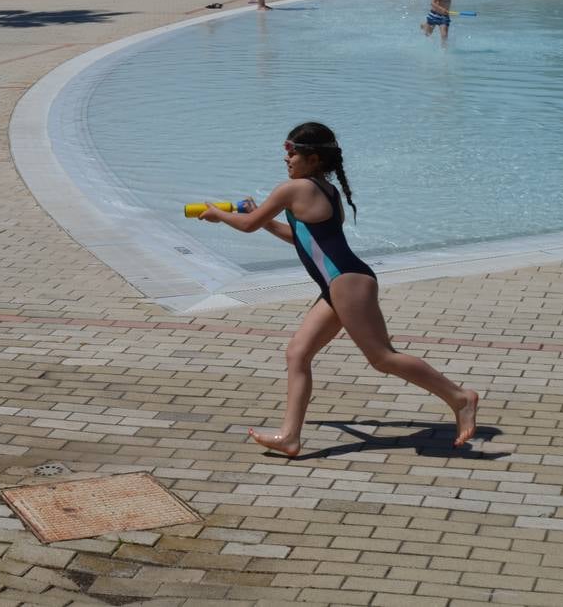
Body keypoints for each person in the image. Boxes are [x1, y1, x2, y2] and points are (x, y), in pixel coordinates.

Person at [196, 122, 480, 455]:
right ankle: (289, 437)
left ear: (313, 158)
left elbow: (246, 226)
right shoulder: (323, 190)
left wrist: (219, 214)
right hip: (341, 282)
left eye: (291, 152)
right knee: (298, 353)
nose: (285, 159)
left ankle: (460, 397)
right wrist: (264, 218)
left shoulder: (294, 189)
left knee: (382, 357)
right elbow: (300, 237)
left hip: (346, 281)